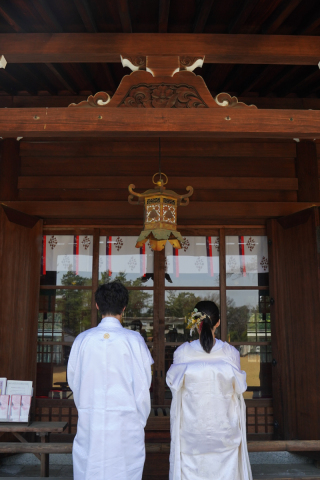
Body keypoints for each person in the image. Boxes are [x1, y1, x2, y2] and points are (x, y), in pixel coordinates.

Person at [67, 281, 154, 480]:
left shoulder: (82, 339)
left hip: (91, 417)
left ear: (97, 306)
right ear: (124, 308)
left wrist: (87, 407)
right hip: (126, 419)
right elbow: (143, 384)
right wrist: (139, 418)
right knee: (124, 469)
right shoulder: (134, 340)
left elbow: (74, 381)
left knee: (90, 467)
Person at [166, 301, 252, 480]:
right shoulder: (230, 353)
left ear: (196, 322)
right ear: (218, 323)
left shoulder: (182, 353)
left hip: (192, 433)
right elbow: (239, 389)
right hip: (224, 432)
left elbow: (173, 387)